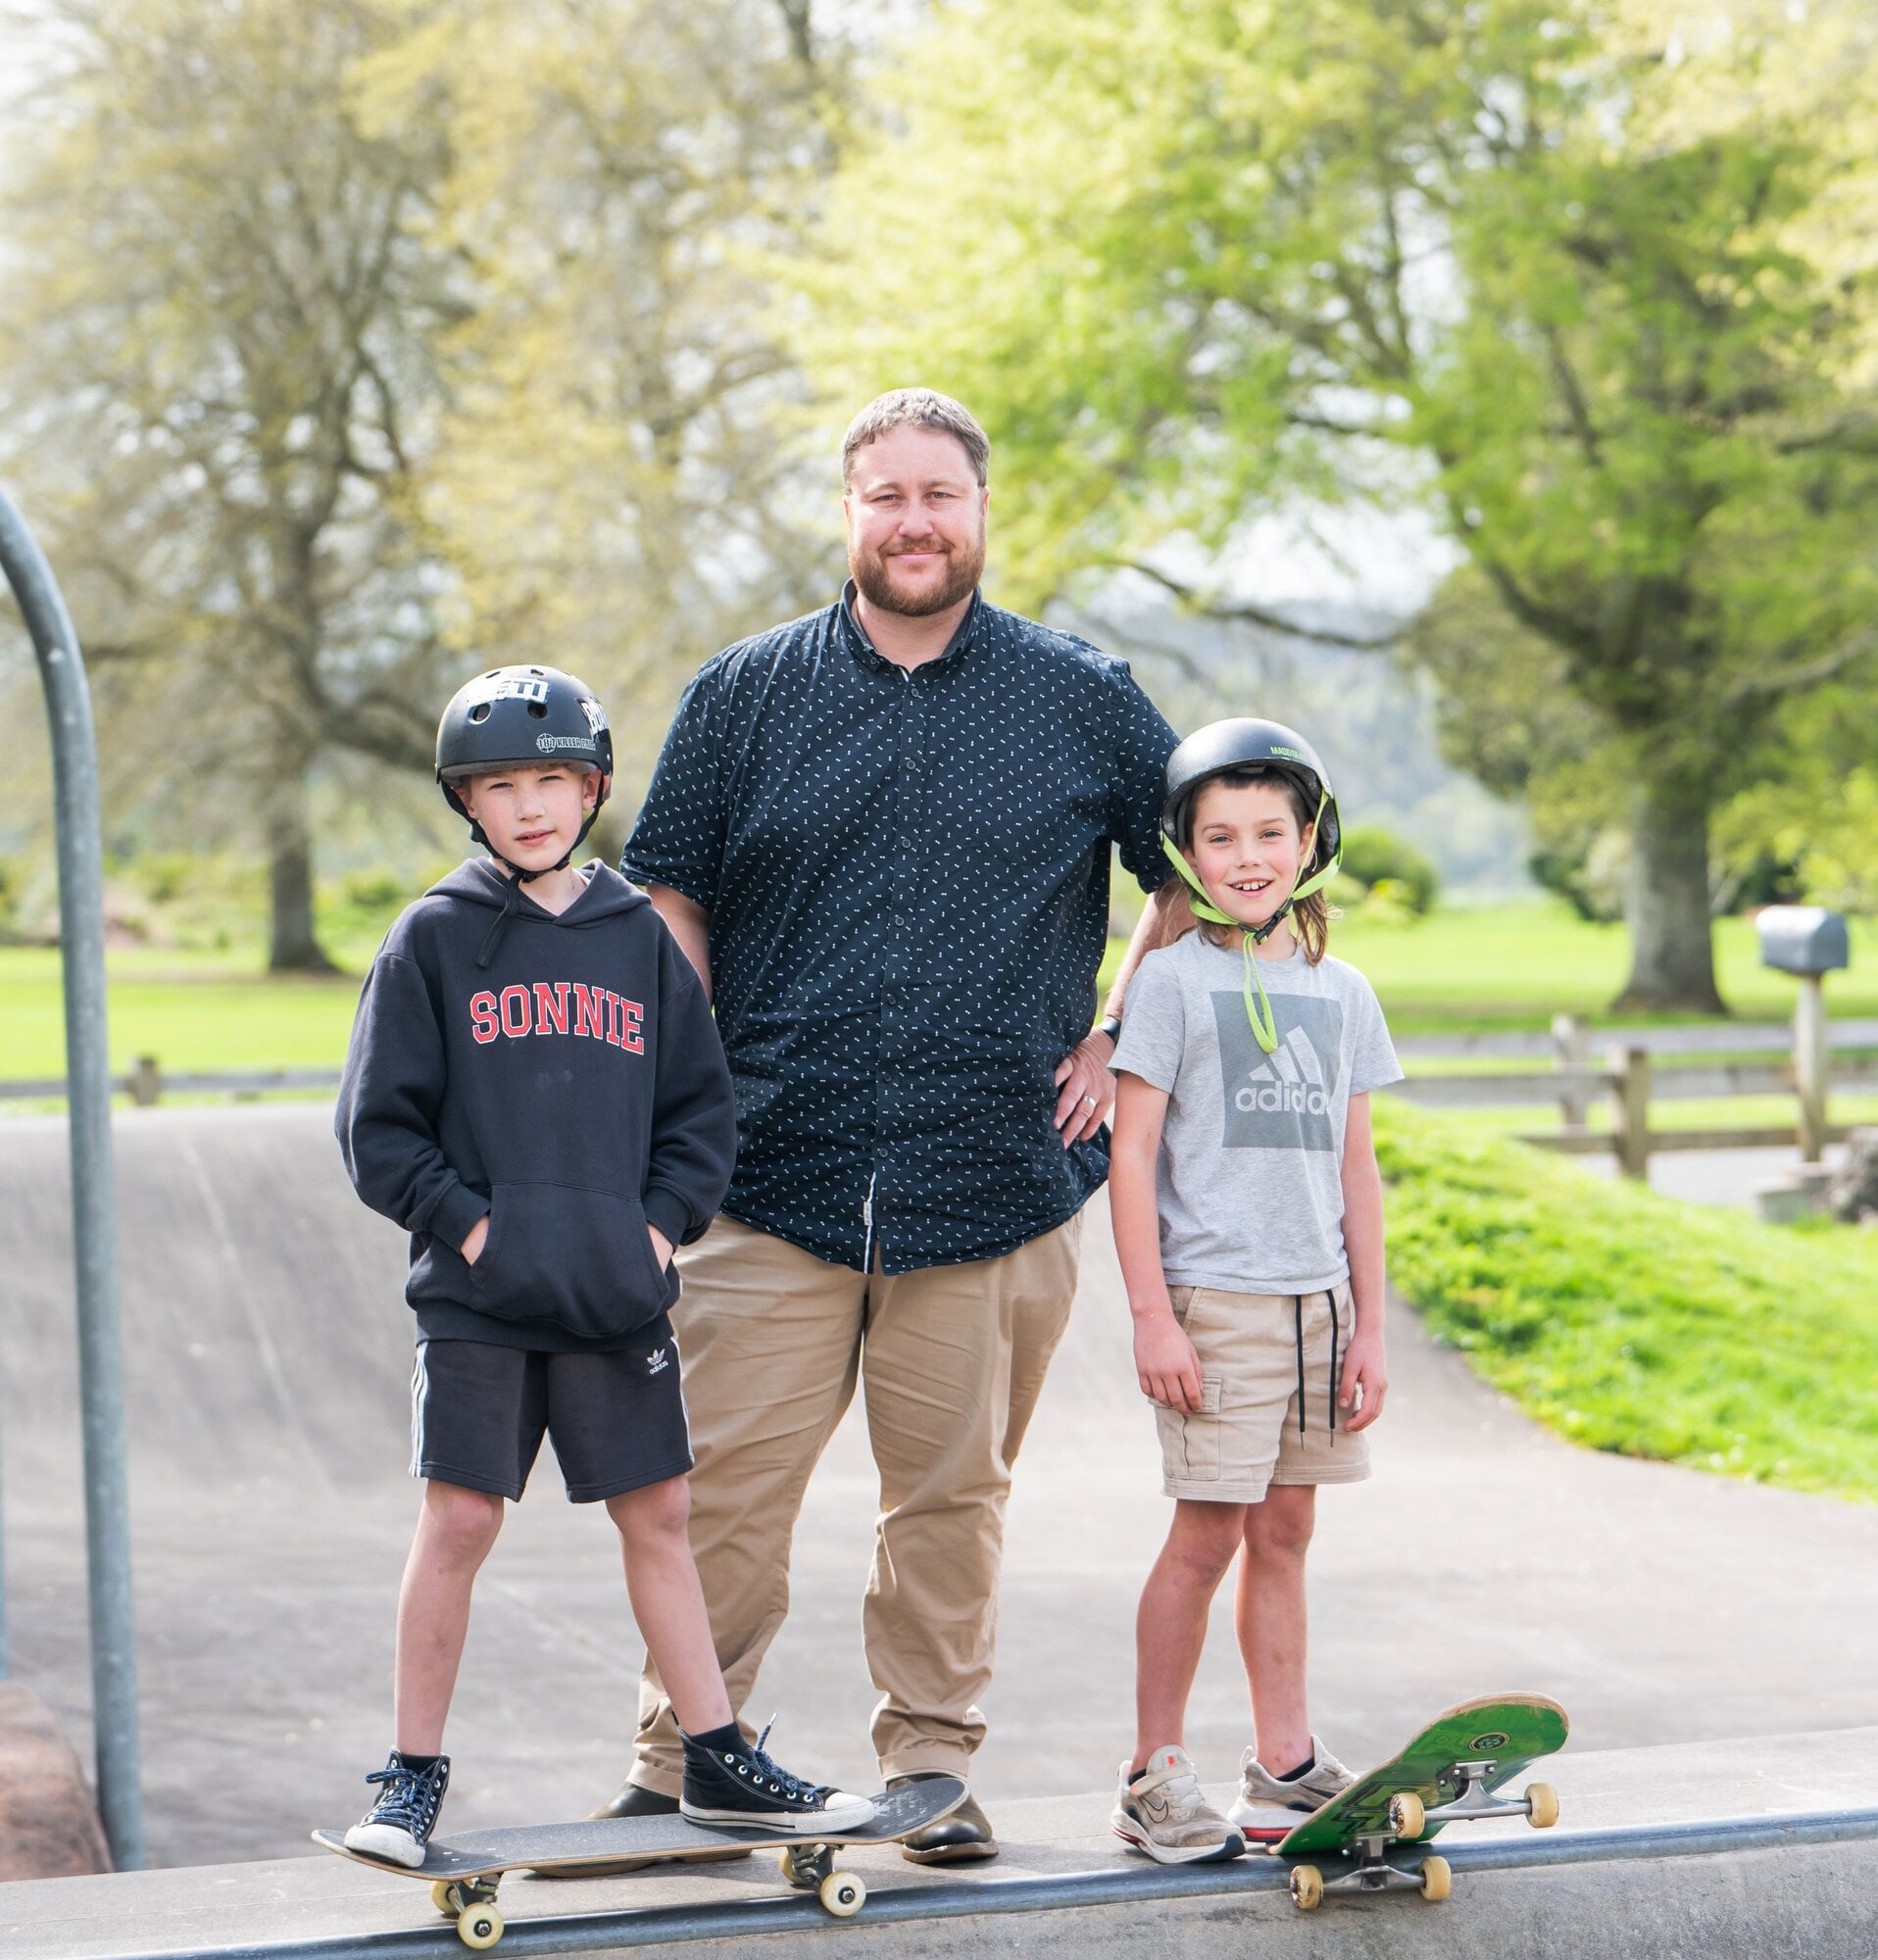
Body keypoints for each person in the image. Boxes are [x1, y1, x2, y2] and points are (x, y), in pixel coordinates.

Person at [596, 389, 1180, 1861]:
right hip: (768, 1177)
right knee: (720, 1495)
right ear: (847, 513)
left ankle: (930, 1770)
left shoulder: (1083, 696)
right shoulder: (744, 692)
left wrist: (1123, 1030)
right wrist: (690, 1081)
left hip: (992, 1178)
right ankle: (686, 1758)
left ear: (983, 512)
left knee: (951, 1505)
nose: (913, 520)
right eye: (886, 496)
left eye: (940, 494)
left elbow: (1204, 860)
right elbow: (671, 885)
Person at [332, 663, 870, 1867]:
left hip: (614, 1293)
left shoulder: (636, 939)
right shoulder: (433, 934)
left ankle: (716, 1755)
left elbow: (701, 1115)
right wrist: (474, 1228)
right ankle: (409, 1777)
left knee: (662, 1513)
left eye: (552, 781)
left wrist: (654, 1225)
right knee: (461, 1516)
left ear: (593, 787)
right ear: (466, 801)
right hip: (478, 1298)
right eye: (500, 785)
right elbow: (378, 1130)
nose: (529, 805)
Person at [1106, 717, 1401, 1864]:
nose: (1245, 855)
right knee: (1205, 1533)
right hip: (1214, 1300)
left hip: (1317, 1304)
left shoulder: (1343, 989)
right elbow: (1129, 1156)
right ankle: (1151, 1771)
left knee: (1285, 1527)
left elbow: (1354, 1164)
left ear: (1307, 840)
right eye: (1218, 835)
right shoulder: (1171, 985)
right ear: (1184, 850)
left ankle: (1281, 1767)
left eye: (1267, 832)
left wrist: (1371, 1321)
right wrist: (1149, 1311)